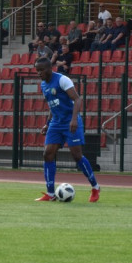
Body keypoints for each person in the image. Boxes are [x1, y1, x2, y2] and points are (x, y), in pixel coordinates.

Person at [32, 57, 100, 203]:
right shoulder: (43, 85)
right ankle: (50, 194)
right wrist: (47, 123)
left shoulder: (63, 80)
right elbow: (53, 105)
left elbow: (77, 99)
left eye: (41, 70)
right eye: (37, 70)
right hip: (56, 123)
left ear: (50, 68)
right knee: (47, 154)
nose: (39, 73)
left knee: (77, 156)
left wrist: (74, 119)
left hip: (70, 121)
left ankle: (95, 187)